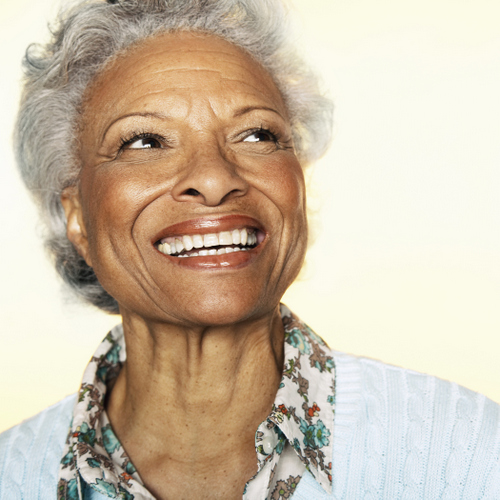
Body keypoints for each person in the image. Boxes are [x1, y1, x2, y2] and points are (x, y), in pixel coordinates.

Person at [0, 0, 499, 498]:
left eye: (256, 134)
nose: (215, 179)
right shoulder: (12, 476)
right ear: (78, 219)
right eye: (145, 142)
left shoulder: (469, 453)